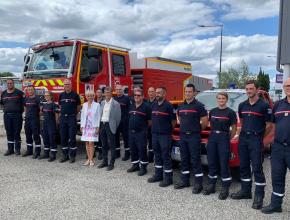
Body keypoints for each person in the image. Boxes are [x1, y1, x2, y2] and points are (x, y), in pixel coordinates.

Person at [231, 80, 272, 210]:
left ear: (256, 89)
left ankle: (259, 196)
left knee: (257, 168)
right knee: (243, 166)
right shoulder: (242, 105)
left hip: (256, 139)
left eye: (251, 89)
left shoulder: (264, 106)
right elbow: (242, 122)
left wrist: (259, 137)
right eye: (247, 89)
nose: (248, 91)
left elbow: (269, 125)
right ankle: (245, 191)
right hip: (243, 139)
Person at [261, 78, 290, 214]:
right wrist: (265, 140)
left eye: (289, 85)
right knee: (277, 176)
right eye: (285, 86)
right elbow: (272, 125)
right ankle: (276, 205)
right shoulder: (278, 105)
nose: (287, 88)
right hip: (278, 148)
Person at [174, 84, 208, 194]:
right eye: (186, 91)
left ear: (194, 93)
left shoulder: (199, 106)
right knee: (184, 159)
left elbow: (204, 121)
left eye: (190, 91)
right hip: (183, 136)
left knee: (195, 160)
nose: (187, 93)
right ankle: (185, 181)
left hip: (194, 136)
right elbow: (179, 118)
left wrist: (195, 129)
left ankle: (198, 184)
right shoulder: (181, 105)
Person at [203, 92, 237, 199]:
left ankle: (225, 187)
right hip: (213, 137)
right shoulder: (212, 111)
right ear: (217, 99)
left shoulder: (230, 112)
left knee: (223, 163)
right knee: (212, 162)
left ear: (226, 100)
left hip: (224, 138)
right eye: (219, 98)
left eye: (223, 98)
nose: (221, 100)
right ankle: (211, 185)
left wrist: (228, 138)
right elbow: (211, 125)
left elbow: (234, 128)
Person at [147, 87, 176, 187]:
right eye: (156, 92)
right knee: (157, 155)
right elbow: (151, 120)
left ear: (164, 94)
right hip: (155, 134)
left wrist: (167, 131)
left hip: (165, 135)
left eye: (159, 93)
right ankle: (158, 175)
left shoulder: (169, 106)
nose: (157, 94)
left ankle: (168, 178)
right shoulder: (153, 105)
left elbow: (173, 122)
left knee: (165, 156)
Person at [127, 89, 151, 176]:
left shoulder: (146, 107)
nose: (136, 97)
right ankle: (135, 165)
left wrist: (143, 129)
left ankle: (143, 167)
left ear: (142, 96)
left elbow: (150, 121)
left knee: (142, 149)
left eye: (138, 95)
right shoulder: (132, 106)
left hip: (141, 132)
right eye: (135, 95)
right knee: (133, 149)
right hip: (131, 132)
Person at [98, 87, 121, 171]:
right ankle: (105, 161)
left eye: (108, 92)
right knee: (104, 144)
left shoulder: (116, 104)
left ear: (111, 93)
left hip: (110, 126)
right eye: (105, 92)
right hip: (103, 125)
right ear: (104, 93)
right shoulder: (102, 103)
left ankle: (112, 163)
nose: (107, 94)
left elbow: (118, 118)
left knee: (112, 145)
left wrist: (114, 126)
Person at [58, 79, 81, 163]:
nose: (67, 86)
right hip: (63, 118)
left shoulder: (75, 95)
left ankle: (72, 156)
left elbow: (78, 107)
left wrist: (73, 114)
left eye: (68, 84)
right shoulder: (61, 95)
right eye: (65, 84)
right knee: (63, 137)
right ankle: (65, 155)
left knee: (72, 137)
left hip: (71, 118)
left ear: (71, 85)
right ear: (63, 86)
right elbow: (60, 106)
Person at [0, 79, 24, 156]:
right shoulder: (3, 93)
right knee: (9, 132)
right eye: (8, 83)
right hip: (7, 116)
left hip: (17, 115)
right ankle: (10, 150)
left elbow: (25, 103)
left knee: (16, 132)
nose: (9, 84)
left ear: (13, 84)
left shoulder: (19, 92)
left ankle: (17, 149)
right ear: (6, 84)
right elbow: (1, 103)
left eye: (11, 83)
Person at [80, 90, 101, 166]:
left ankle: (91, 160)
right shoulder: (84, 105)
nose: (90, 97)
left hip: (93, 126)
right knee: (86, 142)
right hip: (86, 126)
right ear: (86, 97)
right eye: (88, 96)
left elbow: (98, 116)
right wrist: (81, 126)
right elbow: (82, 116)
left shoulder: (97, 105)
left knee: (91, 143)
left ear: (94, 96)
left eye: (91, 95)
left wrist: (98, 127)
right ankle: (88, 159)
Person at [22, 85, 42, 159]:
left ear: (34, 90)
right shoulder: (26, 99)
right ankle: (29, 150)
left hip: (35, 119)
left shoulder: (37, 99)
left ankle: (37, 152)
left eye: (31, 90)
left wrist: (36, 117)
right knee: (28, 135)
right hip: (27, 119)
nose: (30, 91)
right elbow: (25, 108)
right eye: (28, 90)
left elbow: (41, 110)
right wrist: (26, 115)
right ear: (27, 91)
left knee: (36, 135)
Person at [39, 91, 59, 161]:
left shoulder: (54, 105)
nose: (46, 97)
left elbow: (56, 116)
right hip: (45, 124)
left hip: (52, 124)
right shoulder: (44, 105)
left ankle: (53, 154)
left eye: (48, 95)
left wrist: (56, 125)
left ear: (51, 96)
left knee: (52, 139)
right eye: (45, 95)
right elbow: (41, 114)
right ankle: (46, 153)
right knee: (45, 138)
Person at [114, 84, 131, 161]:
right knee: (116, 138)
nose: (118, 91)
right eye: (117, 90)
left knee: (125, 138)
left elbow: (130, 110)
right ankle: (117, 153)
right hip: (116, 122)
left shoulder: (127, 99)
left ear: (122, 90)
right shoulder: (113, 99)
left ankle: (127, 154)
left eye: (120, 89)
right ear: (115, 90)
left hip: (124, 122)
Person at [147, 87, 156, 163]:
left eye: (152, 91)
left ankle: (153, 157)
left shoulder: (157, 102)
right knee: (149, 141)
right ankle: (150, 157)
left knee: (153, 142)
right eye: (149, 91)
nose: (151, 93)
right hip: (147, 126)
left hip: (155, 125)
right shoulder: (146, 102)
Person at [95, 88, 103, 160]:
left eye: (100, 92)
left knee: (101, 137)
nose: (99, 93)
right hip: (94, 121)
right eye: (97, 92)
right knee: (94, 136)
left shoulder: (103, 102)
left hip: (101, 121)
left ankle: (101, 153)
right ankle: (93, 152)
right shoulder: (93, 101)